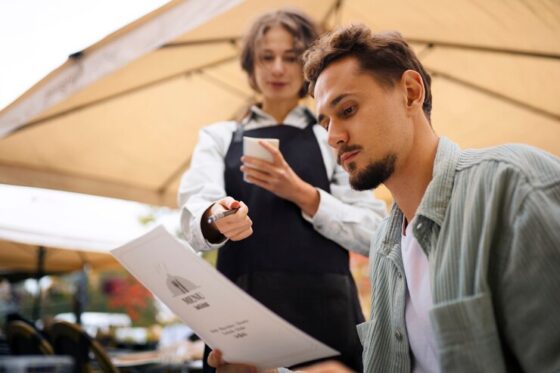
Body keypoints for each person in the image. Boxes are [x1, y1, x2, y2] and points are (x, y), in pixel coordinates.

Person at [209, 24, 560, 373]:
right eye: (325, 123)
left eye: (346, 110)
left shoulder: (515, 186)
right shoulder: (386, 247)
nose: (333, 137)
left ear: (410, 92)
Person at [178, 11, 387, 372]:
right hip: (240, 317)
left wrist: (303, 194)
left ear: (310, 66)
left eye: (291, 57)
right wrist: (217, 218)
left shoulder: (332, 137)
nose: (278, 68)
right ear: (250, 65)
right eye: (266, 57)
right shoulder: (219, 136)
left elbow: (374, 233)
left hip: (327, 315)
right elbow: (194, 217)